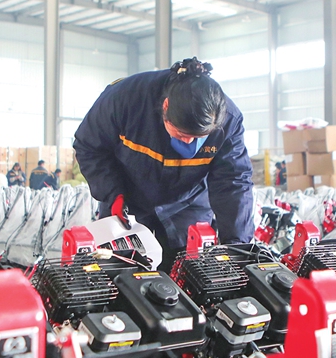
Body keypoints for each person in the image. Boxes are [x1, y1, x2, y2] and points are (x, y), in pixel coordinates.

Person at [74, 57, 253, 265]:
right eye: (181, 134)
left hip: (187, 208)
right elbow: (89, 147)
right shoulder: (125, 99)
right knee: (122, 277)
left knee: (186, 278)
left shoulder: (229, 120)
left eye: (198, 138)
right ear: (165, 107)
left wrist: (238, 247)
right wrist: (112, 193)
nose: (189, 143)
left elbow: (233, 183)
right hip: (126, 205)